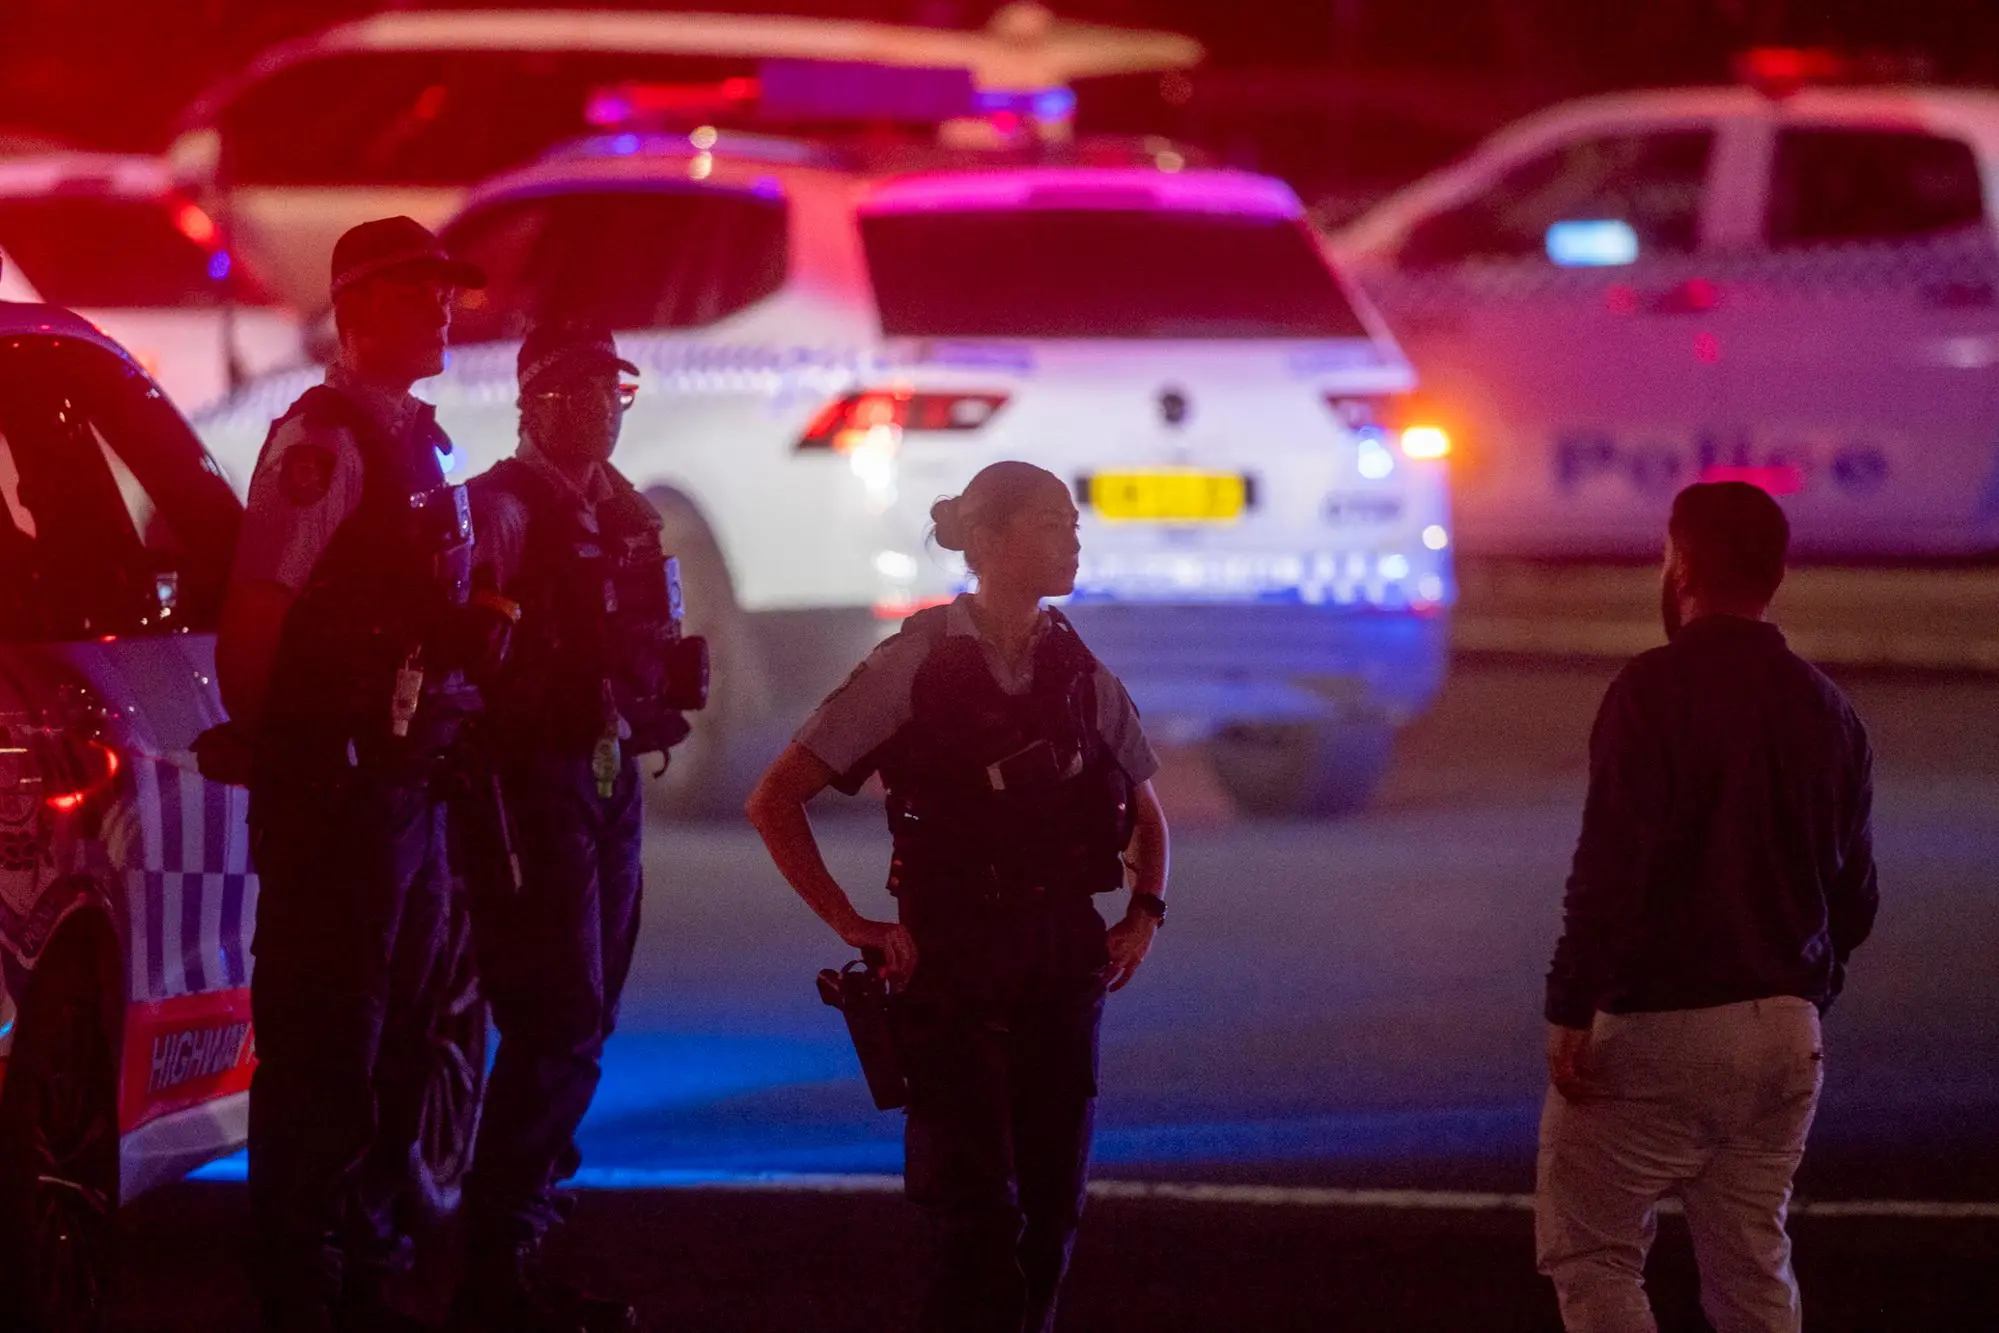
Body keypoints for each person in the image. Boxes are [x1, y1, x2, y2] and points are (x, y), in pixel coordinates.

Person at [746, 460, 1170, 1333]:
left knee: (1050, 1212)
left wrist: (1143, 913)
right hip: (953, 955)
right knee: (973, 1216)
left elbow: (1145, 814)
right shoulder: (915, 664)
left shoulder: (1078, 670)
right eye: (1048, 524)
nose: (1071, 541)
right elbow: (775, 797)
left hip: (1061, 952)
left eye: (1071, 523)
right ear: (985, 539)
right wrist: (850, 922)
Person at [216, 216, 492, 1333]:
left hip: (403, 784)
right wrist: (279, 749)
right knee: (326, 1045)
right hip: (335, 793)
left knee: (399, 1037)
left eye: (446, 292)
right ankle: (302, 1287)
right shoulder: (322, 443)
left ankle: (367, 1273)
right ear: (361, 306)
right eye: (422, 292)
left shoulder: (419, 438)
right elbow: (257, 609)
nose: (444, 310)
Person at [1535, 481, 1879, 1333]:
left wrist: (1570, 1003)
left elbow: (1611, 864)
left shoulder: (1650, 689)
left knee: (1594, 1254)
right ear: (1775, 575)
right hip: (1784, 1033)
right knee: (1752, 1269)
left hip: (1659, 1022)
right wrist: (1799, 993)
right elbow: (1855, 898)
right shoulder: (1828, 709)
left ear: (1680, 566)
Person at [450, 320, 695, 1333]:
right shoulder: (500, 510)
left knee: (588, 1018)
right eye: (577, 391)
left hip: (607, 774)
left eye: (611, 390)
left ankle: (526, 1241)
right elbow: (462, 654)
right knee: (555, 1017)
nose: (599, 409)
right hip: (529, 779)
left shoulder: (628, 512)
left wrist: (655, 692)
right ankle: (492, 1264)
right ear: (531, 403)